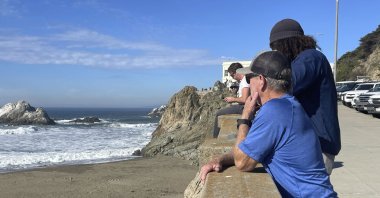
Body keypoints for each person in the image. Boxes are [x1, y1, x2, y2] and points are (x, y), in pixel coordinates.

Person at [200, 51, 337, 197]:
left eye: (248, 78)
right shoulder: (288, 105)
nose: (247, 83)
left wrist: (245, 117)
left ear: (261, 80)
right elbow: (248, 150)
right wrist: (220, 159)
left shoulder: (275, 110)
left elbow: (243, 162)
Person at [269, 19, 341, 174]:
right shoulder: (305, 59)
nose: (277, 53)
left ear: (286, 43)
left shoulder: (310, 58)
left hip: (319, 145)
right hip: (314, 143)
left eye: (276, 47)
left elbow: (287, 84)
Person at [212, 62, 250, 138]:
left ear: (237, 72)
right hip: (243, 106)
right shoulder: (245, 80)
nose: (232, 77)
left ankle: (215, 138)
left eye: (232, 75)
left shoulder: (245, 80)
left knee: (219, 113)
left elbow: (245, 99)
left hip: (243, 107)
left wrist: (233, 99)